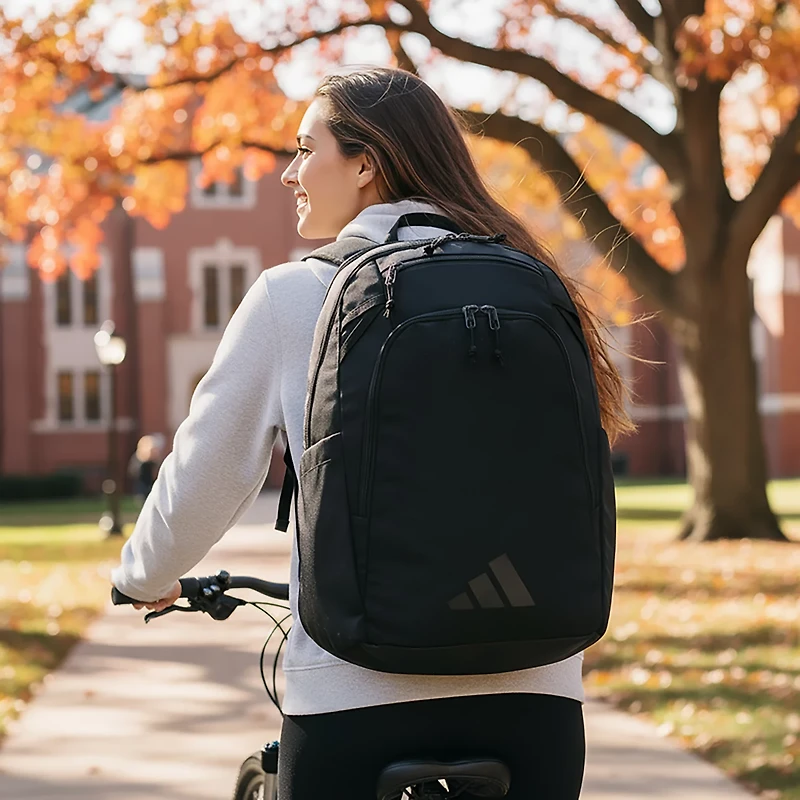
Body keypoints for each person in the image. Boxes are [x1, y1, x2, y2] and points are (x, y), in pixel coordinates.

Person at [112, 67, 632, 799]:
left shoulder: (293, 294)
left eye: (303, 149)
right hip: (537, 685)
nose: (290, 173)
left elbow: (206, 473)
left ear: (365, 163)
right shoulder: (530, 278)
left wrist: (142, 575)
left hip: (355, 694)